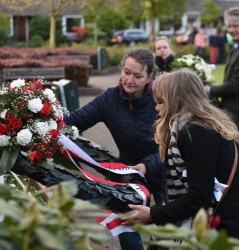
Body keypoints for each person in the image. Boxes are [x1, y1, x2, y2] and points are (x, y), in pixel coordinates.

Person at [121, 68, 239, 242]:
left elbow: (199, 196)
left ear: (176, 101)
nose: (156, 108)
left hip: (226, 227)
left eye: (161, 101)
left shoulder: (196, 132)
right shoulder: (199, 125)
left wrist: (154, 214)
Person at [64, 47, 164, 250]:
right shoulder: (109, 98)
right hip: (127, 174)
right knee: (126, 229)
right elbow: (73, 123)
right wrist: (40, 115)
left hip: (163, 170)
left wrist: (147, 165)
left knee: (166, 233)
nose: (129, 80)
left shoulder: (161, 99)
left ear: (149, 77)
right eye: (127, 72)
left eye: (137, 76)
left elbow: (174, 145)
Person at [204, 6, 239, 152]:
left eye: (236, 26)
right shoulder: (237, 46)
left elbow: (237, 85)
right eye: (229, 26)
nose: (231, 29)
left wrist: (208, 89)